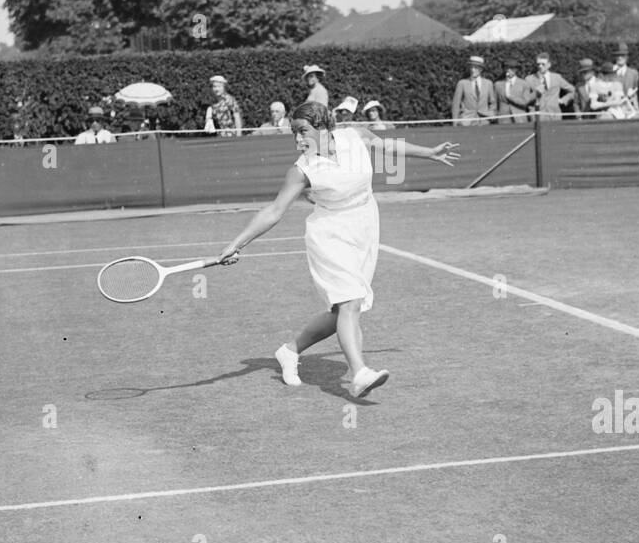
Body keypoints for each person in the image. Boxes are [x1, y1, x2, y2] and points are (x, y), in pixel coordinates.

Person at [216, 102, 460, 398]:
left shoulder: (356, 136)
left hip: (364, 227)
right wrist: (236, 244)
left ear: (323, 126)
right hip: (329, 235)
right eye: (294, 133)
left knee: (343, 311)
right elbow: (274, 211)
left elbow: (387, 146)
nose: (297, 140)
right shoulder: (301, 170)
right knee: (351, 303)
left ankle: (289, 351)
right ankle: (359, 373)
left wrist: (430, 153)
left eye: (303, 131)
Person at [524, 52, 574, 120]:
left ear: (549, 65)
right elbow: (524, 99)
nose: (540, 66)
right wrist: (535, 93)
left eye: (543, 64)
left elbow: (573, 90)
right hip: (537, 117)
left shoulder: (557, 77)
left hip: (555, 115)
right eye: (538, 64)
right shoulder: (529, 79)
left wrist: (563, 100)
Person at [452, 54, 495, 125]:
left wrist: (491, 114)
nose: (472, 70)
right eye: (471, 67)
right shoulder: (462, 83)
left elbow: (493, 103)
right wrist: (455, 122)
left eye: (475, 68)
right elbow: (456, 104)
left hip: (484, 122)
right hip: (466, 122)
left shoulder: (488, 83)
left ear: (481, 69)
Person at [494, 59, 533, 123]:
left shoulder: (524, 84)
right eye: (507, 68)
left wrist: (509, 96)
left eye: (512, 68)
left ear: (516, 69)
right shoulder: (497, 84)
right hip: (503, 119)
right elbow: (495, 104)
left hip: (520, 119)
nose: (509, 70)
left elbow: (525, 102)